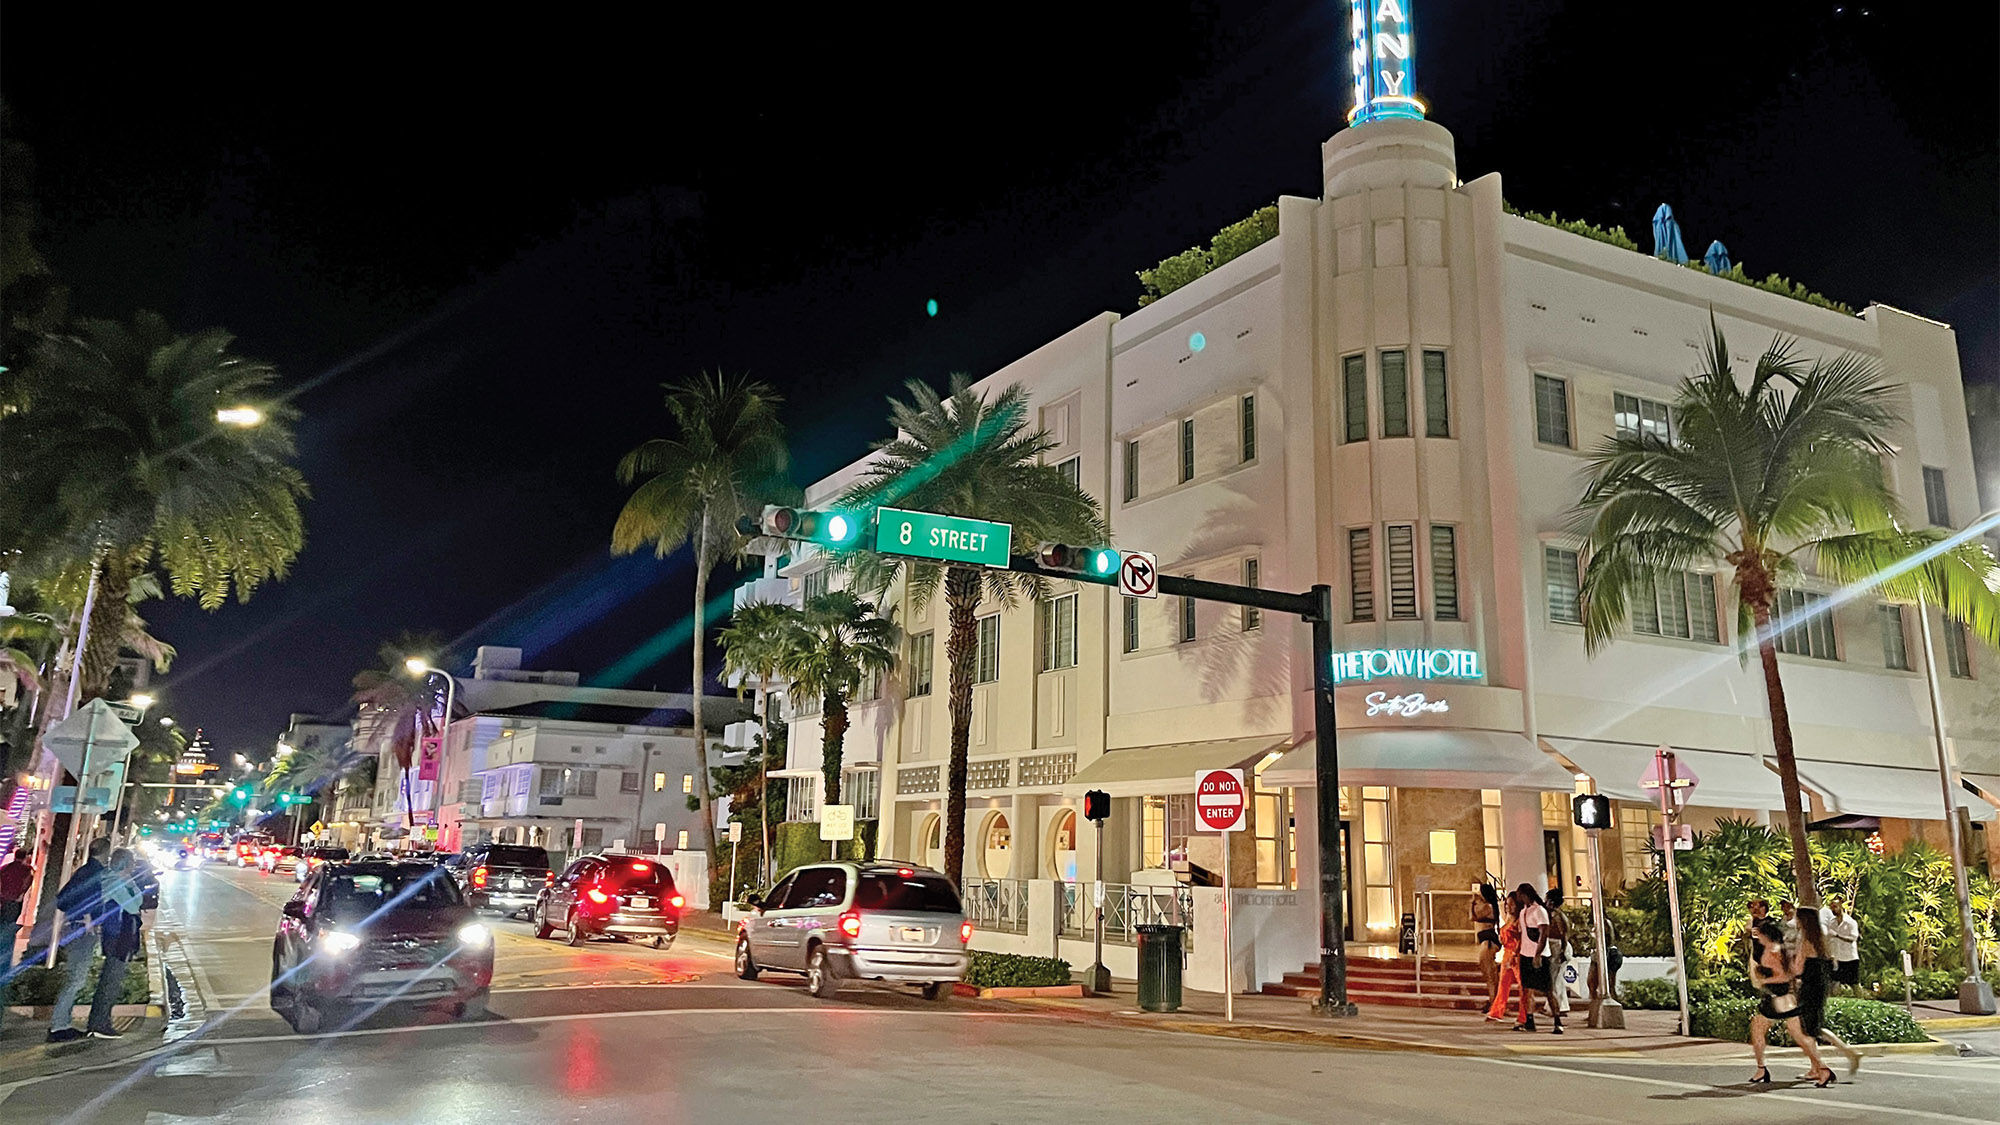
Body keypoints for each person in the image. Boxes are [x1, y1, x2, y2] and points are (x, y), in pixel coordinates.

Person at [1747, 918, 1833, 1087]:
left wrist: (1764, 980)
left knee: (1765, 1030)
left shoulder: (1773, 951)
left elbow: (1785, 975)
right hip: (1785, 996)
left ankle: (1762, 1068)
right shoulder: (1780, 949)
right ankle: (1820, 1068)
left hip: (1778, 996)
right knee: (1796, 1033)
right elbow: (1793, 972)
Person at [48, 837, 112, 1044]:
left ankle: (63, 1023)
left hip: (77, 928)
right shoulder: (94, 873)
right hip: (82, 930)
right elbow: (72, 899)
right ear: (105, 853)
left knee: (76, 978)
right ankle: (58, 1026)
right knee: (76, 979)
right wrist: (86, 918)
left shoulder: (85, 871)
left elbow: (63, 899)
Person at [1795, 907, 1861, 1082]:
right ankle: (1815, 1067)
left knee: (1809, 1028)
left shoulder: (1806, 941)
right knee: (1813, 1027)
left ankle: (1846, 1053)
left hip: (1808, 986)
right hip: (1820, 986)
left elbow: (1797, 966)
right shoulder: (1821, 940)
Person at [87, 849, 144, 1040]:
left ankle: (100, 1022)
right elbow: (134, 905)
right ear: (125, 864)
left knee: (111, 977)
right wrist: (130, 884)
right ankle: (100, 1023)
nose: (133, 866)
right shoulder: (114, 882)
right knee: (111, 978)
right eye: (131, 862)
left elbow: (138, 899)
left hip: (119, 934)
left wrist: (130, 883)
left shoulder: (114, 879)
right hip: (118, 935)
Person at [1514, 883, 1560, 1033]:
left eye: (1520, 895)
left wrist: (1538, 954)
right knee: (1527, 990)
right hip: (1525, 954)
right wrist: (1518, 951)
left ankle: (1557, 1021)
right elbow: (1523, 934)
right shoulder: (1523, 912)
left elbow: (1544, 934)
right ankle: (1529, 1021)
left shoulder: (1539, 911)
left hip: (1539, 954)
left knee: (1548, 990)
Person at [1, 845, 34, 1031]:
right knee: (10, 925)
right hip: (14, 901)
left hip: (4, 900)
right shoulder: (26, 870)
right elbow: (27, 882)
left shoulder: (5, 869)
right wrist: (21, 895)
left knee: (5, 922)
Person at [1484, 893, 1521, 1024]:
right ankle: (1496, 1012)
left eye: (1511, 904)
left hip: (1516, 955)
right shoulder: (1508, 918)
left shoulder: (1519, 920)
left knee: (1522, 988)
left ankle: (1524, 1015)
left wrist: (1514, 954)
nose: (1508, 907)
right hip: (1507, 954)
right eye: (1507, 904)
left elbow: (1520, 938)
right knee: (1503, 985)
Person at [1543, 889, 1572, 1025]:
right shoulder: (1553, 915)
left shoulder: (1557, 916)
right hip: (1556, 947)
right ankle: (1559, 1006)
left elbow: (1563, 935)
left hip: (1558, 948)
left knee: (1554, 980)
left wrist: (1562, 951)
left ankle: (1556, 1007)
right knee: (1556, 979)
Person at [1820, 897, 1860, 995]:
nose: (1833, 909)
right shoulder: (1832, 923)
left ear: (1840, 907)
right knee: (1835, 981)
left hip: (1849, 957)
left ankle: (1862, 1000)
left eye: (1835, 907)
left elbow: (1853, 938)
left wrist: (1838, 935)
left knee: (1854, 983)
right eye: (1832, 907)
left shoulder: (1850, 922)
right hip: (1837, 957)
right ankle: (1834, 1000)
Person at [1471, 884, 1501, 1009]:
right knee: (1488, 972)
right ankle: (1493, 999)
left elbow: (1474, 916)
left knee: (1489, 973)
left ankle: (1494, 1001)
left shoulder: (1488, 907)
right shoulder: (1487, 906)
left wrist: (1473, 904)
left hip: (1488, 941)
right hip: (1486, 939)